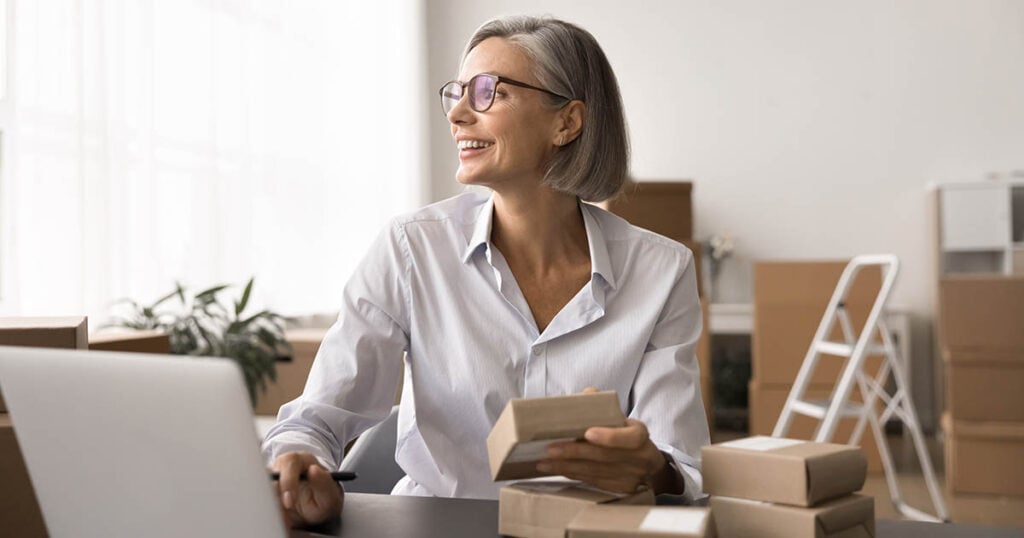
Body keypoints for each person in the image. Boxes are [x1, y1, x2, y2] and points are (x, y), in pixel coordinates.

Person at [262, 14, 709, 528]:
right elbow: (319, 416)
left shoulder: (661, 271)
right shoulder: (412, 248)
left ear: (567, 122)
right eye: (457, 92)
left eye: (487, 92)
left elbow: (684, 467)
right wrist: (300, 463)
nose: (457, 114)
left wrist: (652, 467)